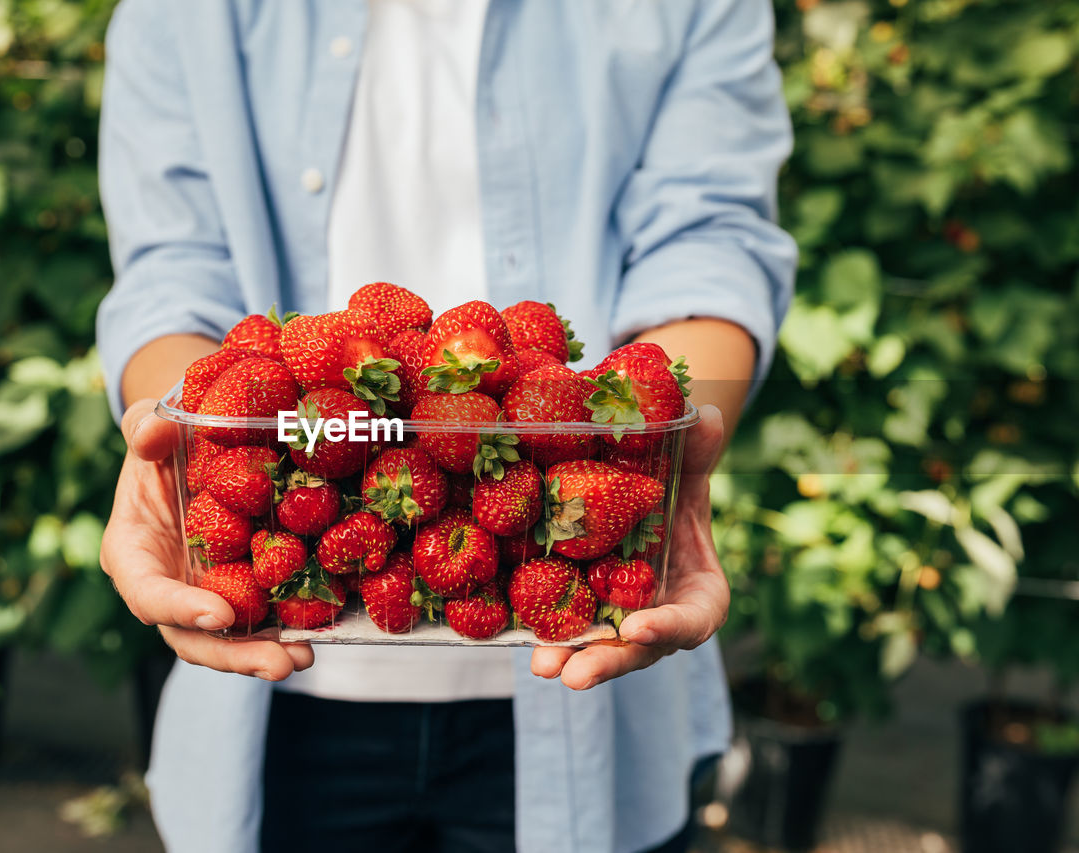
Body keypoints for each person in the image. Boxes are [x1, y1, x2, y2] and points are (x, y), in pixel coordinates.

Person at [95, 1, 796, 851]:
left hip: (592, 674)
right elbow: (174, 271)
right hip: (279, 684)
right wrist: (184, 446)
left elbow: (712, 245)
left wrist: (663, 442)